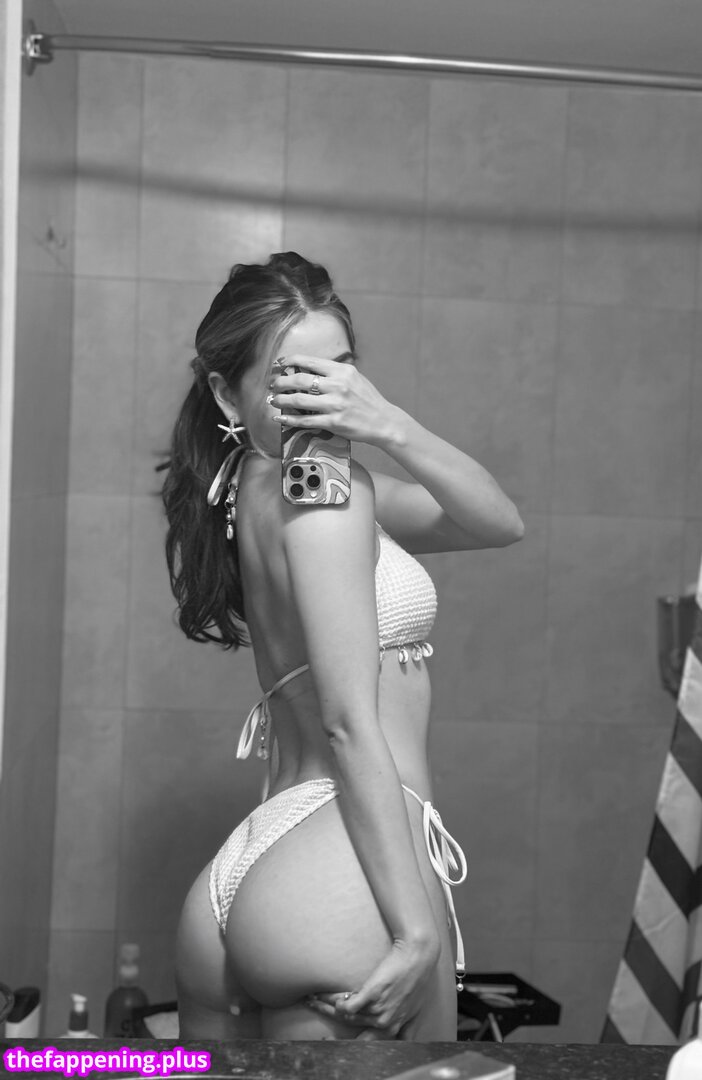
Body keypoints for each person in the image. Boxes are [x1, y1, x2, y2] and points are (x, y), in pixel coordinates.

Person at [163, 252, 524, 1042]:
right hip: (339, 870)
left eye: (339, 371)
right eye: (292, 378)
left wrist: (387, 422)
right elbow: (349, 723)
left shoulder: (257, 484)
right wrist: (416, 932)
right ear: (225, 392)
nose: (322, 397)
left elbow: (498, 521)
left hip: (260, 860)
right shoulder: (328, 490)